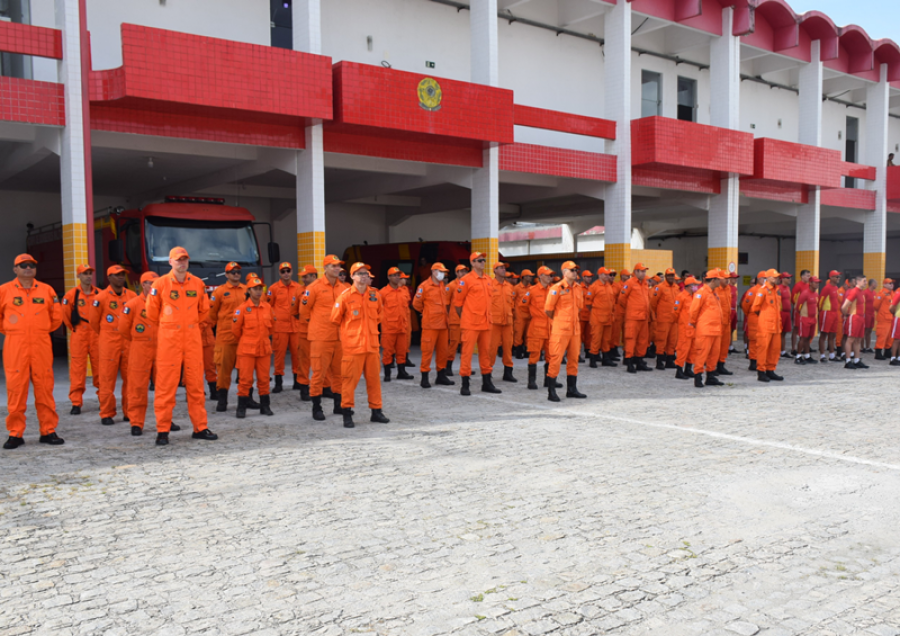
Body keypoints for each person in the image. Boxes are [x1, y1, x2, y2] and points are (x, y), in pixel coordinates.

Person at [145, 247, 218, 446]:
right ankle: (163, 430)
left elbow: (204, 311)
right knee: (165, 388)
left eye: (184, 260)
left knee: (195, 386)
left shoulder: (197, 284)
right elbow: (151, 313)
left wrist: (191, 326)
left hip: (192, 341)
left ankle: (200, 427)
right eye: (178, 260)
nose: (182, 263)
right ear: (170, 262)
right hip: (169, 342)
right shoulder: (159, 285)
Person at [1, 254, 64, 449]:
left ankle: (48, 430)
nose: (28, 268)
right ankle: (15, 433)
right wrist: (14, 331)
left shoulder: (47, 290)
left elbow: (56, 317)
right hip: (15, 344)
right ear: (15, 269)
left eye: (32, 265)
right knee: (16, 389)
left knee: (45, 387)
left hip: (41, 343)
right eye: (23, 265)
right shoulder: (4, 290)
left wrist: (39, 330)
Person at [331, 263, 390, 428]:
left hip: (371, 346)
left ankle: (376, 411)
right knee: (349, 382)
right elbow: (335, 318)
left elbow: (379, 316)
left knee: (374, 381)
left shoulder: (375, 295)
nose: (364, 276)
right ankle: (347, 413)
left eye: (366, 273)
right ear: (353, 276)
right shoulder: (345, 296)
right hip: (353, 347)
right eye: (360, 273)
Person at [300, 254, 350, 420]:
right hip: (321, 338)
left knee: (339, 374)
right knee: (319, 374)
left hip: (339, 338)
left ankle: (338, 405)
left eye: (338, 266)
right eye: (333, 266)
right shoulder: (314, 287)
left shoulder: (343, 289)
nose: (337, 269)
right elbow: (304, 312)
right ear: (325, 268)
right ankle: (316, 407)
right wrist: (318, 326)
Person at [90, 264, 138, 426]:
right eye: (117, 275)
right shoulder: (100, 298)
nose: (120, 278)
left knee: (130, 379)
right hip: (108, 342)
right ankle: (107, 413)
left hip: (128, 342)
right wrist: (107, 334)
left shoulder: (132, 296)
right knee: (106, 378)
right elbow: (94, 323)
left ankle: (129, 411)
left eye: (122, 275)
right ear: (109, 278)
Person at [121, 271, 165, 436]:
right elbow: (124, 330)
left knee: (164, 387)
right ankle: (136, 423)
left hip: (161, 348)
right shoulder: (132, 305)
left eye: (156, 283)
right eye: (150, 283)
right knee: (137, 387)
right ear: (143, 285)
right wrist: (139, 341)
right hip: (140, 349)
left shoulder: (164, 303)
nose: (154, 286)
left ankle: (165, 420)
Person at [454, 252, 501, 396]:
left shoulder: (488, 279)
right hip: (471, 323)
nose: (482, 262)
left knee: (486, 353)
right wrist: (466, 317)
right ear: (472, 263)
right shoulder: (466, 280)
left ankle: (487, 382)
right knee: (467, 354)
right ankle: (465, 384)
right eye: (479, 260)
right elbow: (458, 303)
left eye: (483, 260)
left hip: (486, 323)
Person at [233, 275, 275, 418]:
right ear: (249, 291)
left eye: (260, 289)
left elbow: (271, 328)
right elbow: (236, 330)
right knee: (245, 380)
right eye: (255, 289)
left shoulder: (267, 307)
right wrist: (248, 340)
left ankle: (265, 406)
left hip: (264, 349)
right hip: (247, 349)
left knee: (264, 379)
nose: (258, 291)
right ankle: (241, 407)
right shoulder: (242, 309)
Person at [544, 261, 587, 402]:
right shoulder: (557, 288)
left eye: (576, 270)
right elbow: (548, 310)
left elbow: (579, 308)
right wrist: (560, 320)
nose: (575, 272)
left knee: (574, 359)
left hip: (575, 330)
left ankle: (572, 389)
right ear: (564, 272)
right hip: (560, 329)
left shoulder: (578, 288)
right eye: (572, 270)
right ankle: (551, 391)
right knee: (556, 359)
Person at [209, 262, 248, 412]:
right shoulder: (219, 292)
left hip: (244, 337)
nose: (236, 274)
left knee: (245, 371)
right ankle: (222, 400)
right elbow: (211, 314)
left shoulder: (247, 290)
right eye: (232, 272)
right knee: (224, 372)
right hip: (225, 337)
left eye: (238, 272)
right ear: (226, 275)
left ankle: (246, 399)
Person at [61, 264, 100, 415]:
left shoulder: (100, 294)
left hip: (96, 336)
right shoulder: (71, 296)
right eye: (85, 274)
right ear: (79, 276)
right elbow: (65, 317)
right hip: (79, 335)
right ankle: (76, 402)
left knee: (100, 370)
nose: (88, 276)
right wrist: (76, 330)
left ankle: (104, 400)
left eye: (90, 273)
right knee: (77, 370)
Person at [412, 262, 454, 388]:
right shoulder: (424, 286)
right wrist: (426, 312)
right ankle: (425, 376)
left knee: (443, 351)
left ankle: (441, 375)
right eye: (441, 272)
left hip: (443, 324)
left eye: (444, 272)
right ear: (434, 272)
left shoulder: (442, 286)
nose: (443, 274)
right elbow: (416, 304)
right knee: (427, 351)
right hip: (430, 325)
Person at [267, 262, 303, 394]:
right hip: (280, 328)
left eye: (288, 271)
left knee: (297, 355)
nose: (286, 273)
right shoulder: (274, 288)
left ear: (292, 272)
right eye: (283, 271)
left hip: (295, 327)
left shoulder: (298, 288)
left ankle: (297, 382)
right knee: (279, 356)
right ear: (279, 273)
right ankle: (278, 383)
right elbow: (268, 306)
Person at [523, 266, 558, 390]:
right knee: (534, 355)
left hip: (551, 327)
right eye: (548, 275)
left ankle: (548, 380)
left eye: (551, 275)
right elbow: (523, 306)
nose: (550, 277)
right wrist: (534, 315)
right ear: (541, 276)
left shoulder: (553, 290)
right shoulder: (532, 290)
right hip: (537, 327)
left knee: (551, 355)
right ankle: (531, 381)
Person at [689, 271, 724, 388]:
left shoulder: (714, 293)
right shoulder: (701, 292)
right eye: (719, 279)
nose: (721, 281)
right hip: (705, 329)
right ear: (713, 280)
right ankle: (698, 376)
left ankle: (710, 377)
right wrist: (695, 324)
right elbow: (693, 311)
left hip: (716, 329)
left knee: (714, 355)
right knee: (702, 354)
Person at [751, 269, 785, 382]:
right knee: (763, 349)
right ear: (768, 277)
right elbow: (755, 308)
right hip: (765, 326)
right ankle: (761, 372)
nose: (776, 279)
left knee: (775, 349)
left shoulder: (777, 290)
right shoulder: (763, 290)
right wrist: (764, 317)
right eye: (774, 277)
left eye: (777, 277)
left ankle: (771, 370)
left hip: (776, 325)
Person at [619, 263, 652, 373]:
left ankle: (639, 361)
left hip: (644, 317)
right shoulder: (630, 283)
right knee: (631, 340)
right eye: (641, 271)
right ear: (636, 272)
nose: (643, 273)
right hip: (633, 317)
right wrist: (631, 309)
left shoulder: (645, 283)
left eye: (644, 271)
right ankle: (629, 362)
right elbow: (622, 299)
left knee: (642, 341)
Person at [381, 267, 413, 381]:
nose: (397, 277)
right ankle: (387, 373)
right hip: (389, 328)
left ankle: (401, 372)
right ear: (389, 277)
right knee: (388, 352)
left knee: (402, 351)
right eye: (394, 275)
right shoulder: (383, 292)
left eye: (398, 275)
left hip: (402, 327)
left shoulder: (403, 291)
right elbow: (377, 309)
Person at [489, 261, 517, 382]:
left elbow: (513, 305)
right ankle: (487, 373)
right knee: (492, 348)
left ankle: (508, 372)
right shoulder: (490, 285)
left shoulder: (509, 287)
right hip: (494, 322)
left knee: (508, 348)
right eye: (500, 268)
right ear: (494, 271)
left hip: (508, 322)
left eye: (504, 268)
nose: (503, 269)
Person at [294, 264, 318, 399]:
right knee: (303, 360)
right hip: (304, 331)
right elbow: (295, 312)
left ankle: (324, 387)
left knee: (322, 361)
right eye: (302, 277)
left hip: (320, 331)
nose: (303, 279)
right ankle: (304, 388)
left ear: (314, 276)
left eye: (306, 277)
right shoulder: (299, 291)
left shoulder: (322, 289)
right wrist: (305, 320)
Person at [587, 267, 617, 368]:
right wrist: (596, 312)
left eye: (608, 274)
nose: (607, 276)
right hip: (598, 319)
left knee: (606, 339)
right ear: (599, 275)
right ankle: (593, 358)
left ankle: (606, 359)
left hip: (608, 318)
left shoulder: (609, 286)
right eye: (605, 274)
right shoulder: (594, 286)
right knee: (596, 339)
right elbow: (588, 303)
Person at [650, 268, 680, 370]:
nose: (671, 277)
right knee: (661, 340)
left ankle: (669, 361)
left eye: (672, 275)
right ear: (666, 276)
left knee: (672, 341)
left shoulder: (676, 288)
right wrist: (658, 314)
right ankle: (659, 361)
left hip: (674, 319)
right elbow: (653, 303)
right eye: (669, 275)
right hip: (663, 319)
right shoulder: (660, 287)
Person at [673, 276, 700, 379]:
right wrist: (681, 323)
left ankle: (688, 369)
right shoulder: (681, 296)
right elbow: (675, 312)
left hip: (693, 329)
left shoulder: (694, 297)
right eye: (695, 285)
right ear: (690, 286)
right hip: (684, 329)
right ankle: (679, 371)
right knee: (682, 349)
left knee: (692, 350)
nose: (696, 287)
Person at [841, 275, 868, 369]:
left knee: (858, 339)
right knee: (850, 339)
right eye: (864, 281)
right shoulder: (854, 292)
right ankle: (848, 361)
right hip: (854, 317)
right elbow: (844, 306)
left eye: (866, 281)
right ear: (858, 282)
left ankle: (857, 360)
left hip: (861, 318)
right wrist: (845, 315)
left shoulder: (862, 292)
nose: (866, 283)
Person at [445, 264, 468, 374]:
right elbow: (447, 304)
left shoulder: (468, 285)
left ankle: (465, 367)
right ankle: (448, 366)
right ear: (456, 273)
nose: (463, 274)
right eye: (461, 271)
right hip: (455, 320)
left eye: (465, 271)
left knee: (465, 345)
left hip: (467, 320)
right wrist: (450, 316)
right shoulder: (451, 286)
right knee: (453, 344)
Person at [741, 271, 766, 370]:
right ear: (758, 279)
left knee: (762, 341)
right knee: (753, 341)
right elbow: (745, 305)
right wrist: (750, 314)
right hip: (754, 318)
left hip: (764, 319)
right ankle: (753, 362)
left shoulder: (766, 290)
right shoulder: (753, 290)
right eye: (764, 278)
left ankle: (760, 361)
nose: (765, 281)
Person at [818, 270, 843, 362]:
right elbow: (821, 301)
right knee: (824, 334)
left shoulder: (836, 287)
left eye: (839, 277)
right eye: (836, 277)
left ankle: (832, 355)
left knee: (832, 335)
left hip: (834, 313)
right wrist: (821, 311)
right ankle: (822, 355)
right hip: (827, 313)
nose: (838, 278)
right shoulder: (827, 288)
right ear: (831, 277)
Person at [794, 276, 820, 365]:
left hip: (813, 319)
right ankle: (798, 356)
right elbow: (798, 307)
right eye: (815, 282)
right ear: (811, 283)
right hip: (805, 318)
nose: (817, 284)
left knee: (809, 337)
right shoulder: (805, 293)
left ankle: (807, 355)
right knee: (803, 337)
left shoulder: (816, 294)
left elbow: (817, 306)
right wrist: (803, 314)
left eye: (818, 283)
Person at [513, 268, 534, 359]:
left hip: (529, 315)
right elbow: (512, 301)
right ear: (524, 277)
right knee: (518, 333)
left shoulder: (532, 288)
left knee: (528, 334)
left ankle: (526, 351)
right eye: (529, 276)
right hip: (519, 315)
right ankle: (518, 352)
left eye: (531, 276)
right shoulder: (517, 288)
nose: (530, 278)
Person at [874, 278, 895, 360]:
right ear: (885, 284)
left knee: (890, 337)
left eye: (892, 283)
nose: (891, 285)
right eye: (889, 283)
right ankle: (878, 353)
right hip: (883, 318)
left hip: (890, 318)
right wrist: (882, 312)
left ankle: (887, 351)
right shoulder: (881, 293)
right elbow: (876, 305)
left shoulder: (891, 293)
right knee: (882, 336)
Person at [791, 270, 811, 354]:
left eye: (809, 276)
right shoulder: (798, 286)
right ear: (802, 276)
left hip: (806, 312)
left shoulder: (809, 285)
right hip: (798, 311)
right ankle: (793, 348)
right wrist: (798, 307)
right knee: (796, 329)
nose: (808, 277)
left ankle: (804, 347)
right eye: (807, 276)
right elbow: (793, 298)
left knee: (805, 329)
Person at [777, 272, 793, 357]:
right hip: (781, 313)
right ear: (782, 279)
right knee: (779, 333)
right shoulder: (778, 288)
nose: (790, 279)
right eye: (788, 278)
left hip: (787, 313)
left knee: (784, 333)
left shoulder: (788, 288)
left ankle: (783, 351)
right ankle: (777, 350)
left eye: (790, 278)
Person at [863, 278, 877, 352]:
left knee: (870, 330)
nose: (877, 285)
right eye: (876, 283)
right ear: (872, 284)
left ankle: (868, 347)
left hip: (872, 314)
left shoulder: (874, 293)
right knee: (865, 330)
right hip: (866, 313)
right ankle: (862, 347)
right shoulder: (865, 292)